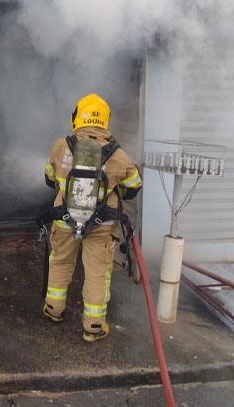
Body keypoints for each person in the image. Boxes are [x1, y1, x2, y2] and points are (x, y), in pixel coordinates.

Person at [42, 93, 142, 342]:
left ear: (78, 117)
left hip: (64, 219)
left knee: (60, 262)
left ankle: (54, 310)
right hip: (100, 224)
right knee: (97, 272)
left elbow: (50, 179)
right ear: (104, 120)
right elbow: (134, 187)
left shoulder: (61, 146)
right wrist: (113, 187)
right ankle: (93, 327)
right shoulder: (118, 154)